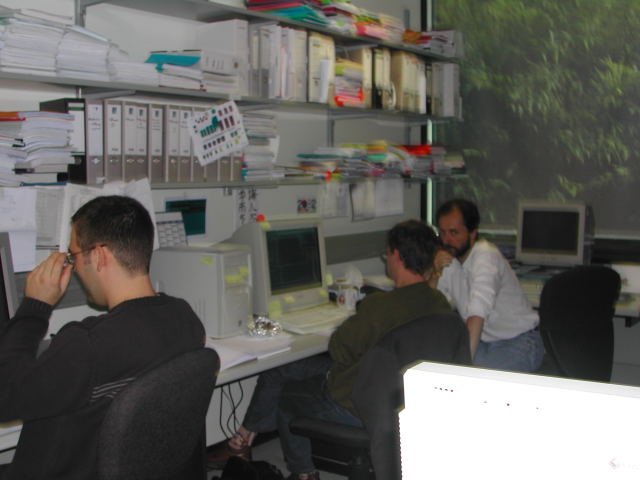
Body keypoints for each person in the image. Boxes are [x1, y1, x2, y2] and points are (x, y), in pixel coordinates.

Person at [210, 219, 466, 480]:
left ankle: (303, 473)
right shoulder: (438, 301)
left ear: (397, 256)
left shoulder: (381, 306)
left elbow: (339, 350)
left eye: (387, 253)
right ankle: (243, 440)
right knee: (283, 369)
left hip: (363, 400)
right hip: (405, 397)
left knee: (288, 395)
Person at [0, 195, 206, 480]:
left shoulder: (86, 343)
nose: (74, 267)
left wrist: (35, 308)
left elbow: (5, 398)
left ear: (98, 256)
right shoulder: (185, 319)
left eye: (73, 256)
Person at [430, 198, 544, 372]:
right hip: (484, 342)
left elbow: (477, 313)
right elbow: (431, 307)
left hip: (519, 341)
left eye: (454, 233)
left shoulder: (486, 256)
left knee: (471, 381)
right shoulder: (449, 259)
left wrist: (462, 370)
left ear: (472, 233)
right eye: (443, 233)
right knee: (436, 369)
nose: (446, 240)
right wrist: (434, 273)